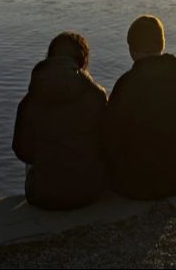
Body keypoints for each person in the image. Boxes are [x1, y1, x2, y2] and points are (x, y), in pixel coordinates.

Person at [105, 15, 176, 200]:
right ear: (162, 44)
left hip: (134, 184)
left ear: (131, 49)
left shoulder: (125, 84)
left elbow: (111, 135)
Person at [12, 32, 108, 210]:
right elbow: (107, 143)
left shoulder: (30, 99)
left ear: (50, 58)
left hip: (42, 195)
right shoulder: (97, 96)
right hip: (89, 191)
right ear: (82, 61)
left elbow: (22, 150)